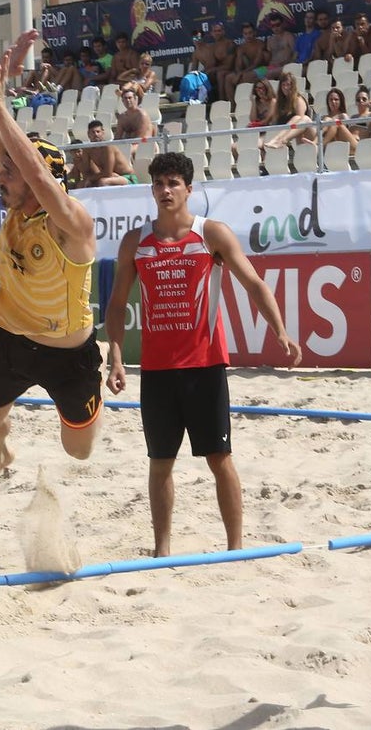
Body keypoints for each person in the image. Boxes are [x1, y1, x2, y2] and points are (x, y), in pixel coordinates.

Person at [103, 152, 302, 557]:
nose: (165, 191)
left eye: (173, 183)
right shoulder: (136, 241)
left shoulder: (210, 233)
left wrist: (280, 330)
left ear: (189, 189)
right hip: (157, 370)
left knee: (219, 458)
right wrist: (116, 358)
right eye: (158, 184)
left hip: (206, 365)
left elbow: (255, 284)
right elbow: (116, 303)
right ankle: (161, 550)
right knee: (160, 461)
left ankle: (236, 547)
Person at [0, 29, 103, 500]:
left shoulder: (73, 225)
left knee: (80, 451)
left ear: (34, 177)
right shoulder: (15, 206)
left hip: (71, 353)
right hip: (14, 338)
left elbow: (42, 179)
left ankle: (93, 395)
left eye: (11, 172)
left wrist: (4, 114)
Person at [70, 119, 136, 188]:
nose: (96, 134)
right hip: (111, 176)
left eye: (98, 132)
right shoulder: (87, 149)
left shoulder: (108, 147)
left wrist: (90, 179)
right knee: (80, 185)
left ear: (103, 132)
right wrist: (78, 162)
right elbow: (86, 172)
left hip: (127, 177)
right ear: (88, 134)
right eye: (93, 132)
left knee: (103, 182)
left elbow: (107, 173)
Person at [263, 71, 316, 149]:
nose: (285, 87)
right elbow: (275, 122)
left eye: (288, 84)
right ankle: (277, 140)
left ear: (293, 86)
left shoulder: (298, 100)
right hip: (294, 138)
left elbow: (301, 125)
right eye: (283, 85)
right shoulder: (279, 103)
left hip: (308, 135)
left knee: (298, 118)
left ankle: (280, 140)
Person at [223, 23, 268, 103]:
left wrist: (241, 74)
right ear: (243, 35)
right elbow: (238, 65)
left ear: (255, 33)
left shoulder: (260, 44)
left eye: (250, 33)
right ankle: (233, 105)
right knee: (228, 78)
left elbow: (256, 64)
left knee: (245, 76)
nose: (248, 36)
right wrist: (238, 73)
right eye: (246, 34)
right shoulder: (241, 47)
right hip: (247, 71)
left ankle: (249, 103)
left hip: (262, 69)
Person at [113, 82, 156, 152]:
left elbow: (139, 138)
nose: (128, 100)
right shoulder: (122, 117)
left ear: (135, 99)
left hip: (144, 144)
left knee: (124, 152)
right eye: (125, 98)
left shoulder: (142, 115)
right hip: (129, 145)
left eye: (130, 98)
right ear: (122, 101)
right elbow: (117, 138)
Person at [320, 87, 360, 154]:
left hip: (350, 146)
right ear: (328, 102)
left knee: (336, 123)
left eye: (336, 99)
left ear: (340, 101)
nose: (333, 102)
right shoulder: (324, 118)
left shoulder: (344, 116)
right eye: (331, 100)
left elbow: (350, 133)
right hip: (334, 150)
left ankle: (320, 147)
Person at [263, 14, 296, 80]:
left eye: (277, 25)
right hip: (271, 67)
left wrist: (289, 63)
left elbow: (296, 53)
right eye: (273, 26)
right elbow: (268, 58)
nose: (275, 28)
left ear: (283, 24)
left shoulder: (289, 36)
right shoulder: (270, 40)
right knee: (249, 76)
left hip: (285, 66)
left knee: (268, 74)